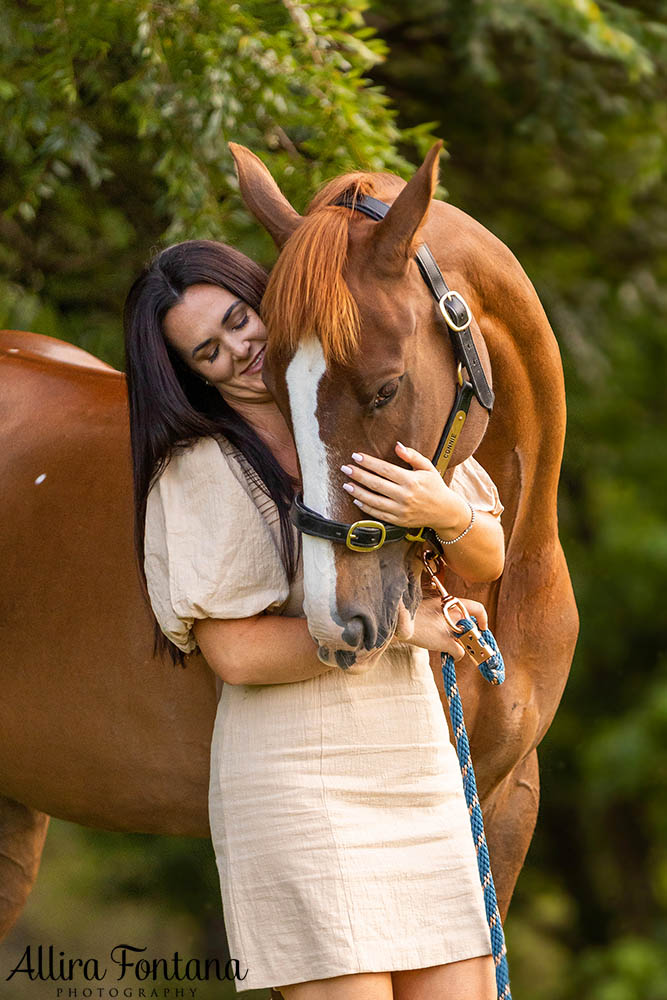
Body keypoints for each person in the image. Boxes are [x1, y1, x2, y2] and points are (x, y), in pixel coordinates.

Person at [123, 238, 506, 1000]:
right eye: (208, 350)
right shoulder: (201, 470)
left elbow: (489, 555)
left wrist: (444, 509)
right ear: (189, 374)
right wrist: (403, 629)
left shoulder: (367, 403)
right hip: (299, 787)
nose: (240, 349)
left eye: (240, 318)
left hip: (414, 766)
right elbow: (235, 655)